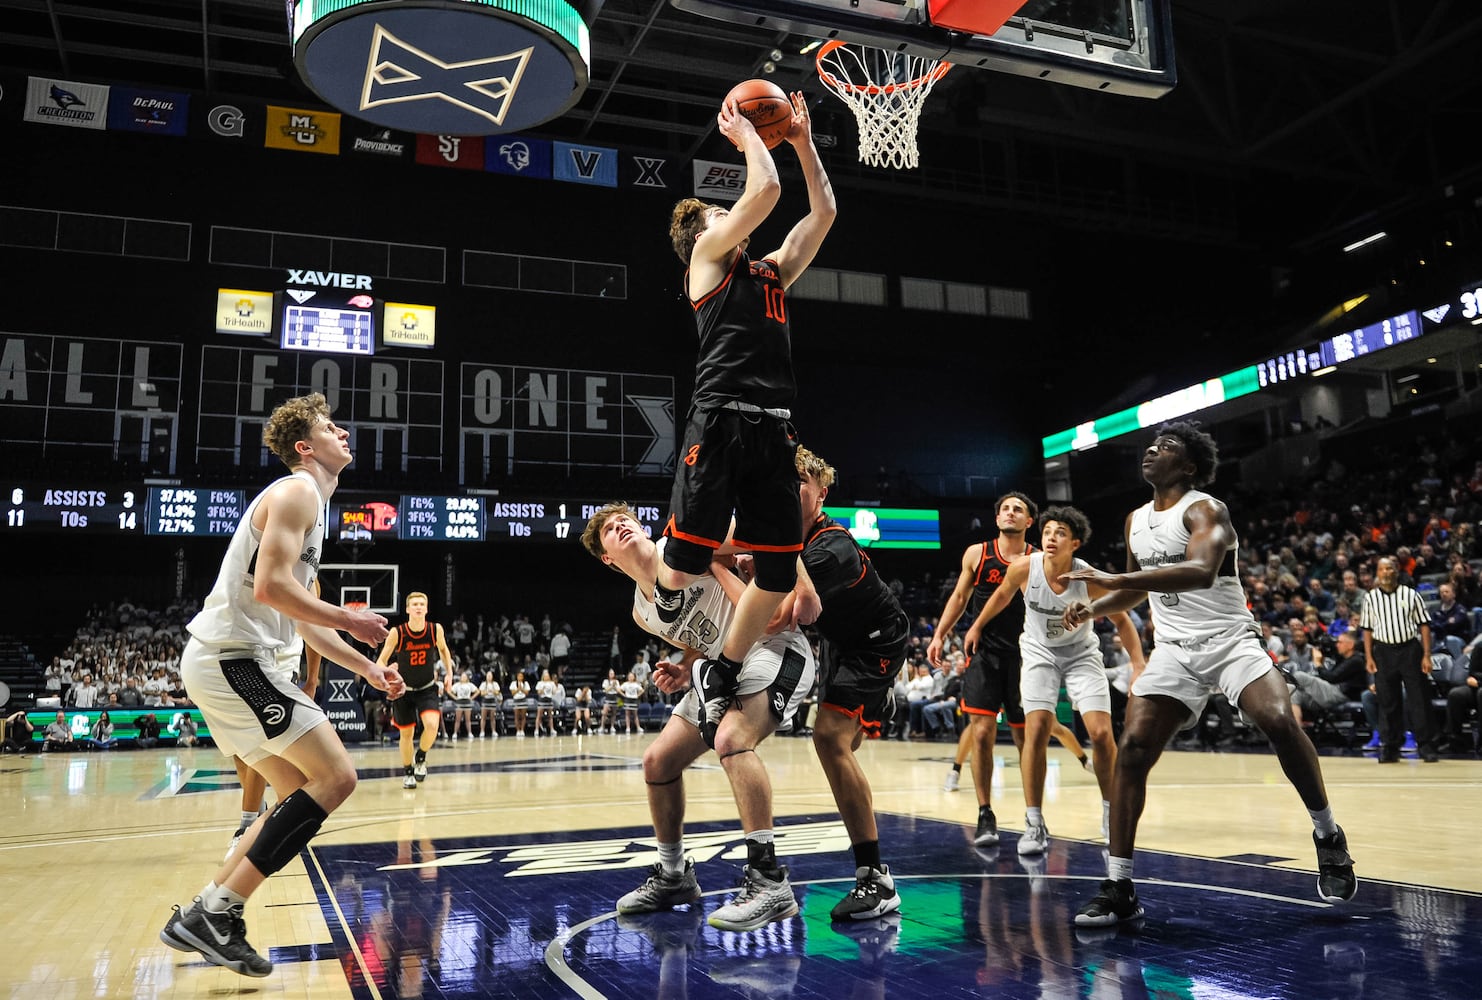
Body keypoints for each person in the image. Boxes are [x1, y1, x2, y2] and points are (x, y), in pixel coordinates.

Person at [1061, 421, 1357, 926]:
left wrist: (1116, 578)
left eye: (1168, 446)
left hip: (1229, 642)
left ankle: (1328, 835)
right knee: (1132, 749)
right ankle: (1119, 886)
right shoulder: (1134, 519)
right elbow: (1138, 592)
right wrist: (1097, 607)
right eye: (1152, 445)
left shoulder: (1205, 508)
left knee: (1279, 721)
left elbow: (1199, 571)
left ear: (1190, 466)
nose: (1153, 450)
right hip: (1174, 649)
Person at [158, 392, 401, 977]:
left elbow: (300, 617)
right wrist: (350, 617)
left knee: (295, 793)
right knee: (337, 776)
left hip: (239, 661)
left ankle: (205, 910)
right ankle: (217, 912)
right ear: (303, 446)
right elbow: (269, 588)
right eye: (328, 427)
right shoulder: (296, 491)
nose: (343, 432)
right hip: (233, 659)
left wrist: (366, 667)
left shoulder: (310, 504)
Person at [652, 85, 834, 751]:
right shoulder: (705, 261)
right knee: (681, 562)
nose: (732, 216)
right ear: (703, 233)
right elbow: (764, 193)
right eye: (720, 214)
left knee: (781, 573)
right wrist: (751, 138)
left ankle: (723, 668)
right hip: (721, 422)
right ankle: (661, 593)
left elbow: (823, 211)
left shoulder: (772, 273)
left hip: (773, 429)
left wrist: (805, 142)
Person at [582, 501, 816, 932]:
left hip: (776, 649)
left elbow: (771, 526)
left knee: (731, 739)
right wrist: (685, 663)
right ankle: (674, 875)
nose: (621, 526)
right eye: (611, 530)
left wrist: (803, 586)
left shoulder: (684, 544)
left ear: (643, 526)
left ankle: (769, 881)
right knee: (657, 761)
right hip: (721, 664)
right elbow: (700, 631)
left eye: (625, 520)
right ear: (607, 558)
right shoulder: (642, 611)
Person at [772, 445, 907, 920]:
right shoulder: (787, 535)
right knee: (842, 743)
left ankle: (876, 879)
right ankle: (876, 708)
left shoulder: (831, 547)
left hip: (876, 643)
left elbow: (778, 617)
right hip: (837, 643)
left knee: (828, 738)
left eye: (799, 485)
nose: (788, 492)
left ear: (821, 492)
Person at [963, 505, 1144, 854]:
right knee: (1037, 729)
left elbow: (1123, 620)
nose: (1051, 538)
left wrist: (1138, 665)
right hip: (1039, 653)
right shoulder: (1023, 569)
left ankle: (1111, 812)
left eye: (1060, 533)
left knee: (1102, 733)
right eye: (1047, 532)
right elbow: (1000, 595)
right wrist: (976, 625)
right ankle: (1034, 823)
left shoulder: (1088, 578)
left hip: (1080, 655)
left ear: (1074, 543)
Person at [925, 492, 1038, 847]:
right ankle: (985, 813)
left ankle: (1034, 819)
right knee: (983, 732)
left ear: (1028, 522)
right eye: (1005, 508)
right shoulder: (977, 553)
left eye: (1018, 509)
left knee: (1026, 740)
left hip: (1027, 656)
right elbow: (959, 598)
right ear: (997, 518)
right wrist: (940, 635)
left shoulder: (1039, 558)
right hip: (985, 654)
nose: (1010, 512)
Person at [1362, 556, 1438, 763]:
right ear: (1377, 573)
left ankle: (1426, 745)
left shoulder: (1411, 595)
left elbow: (1424, 625)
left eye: (1389, 568)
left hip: (1409, 650)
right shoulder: (1370, 598)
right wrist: (1369, 656)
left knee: (1418, 698)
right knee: (1387, 700)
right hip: (1383, 652)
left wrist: (1426, 654)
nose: (1385, 572)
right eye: (1381, 569)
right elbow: (1367, 630)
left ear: (1396, 571)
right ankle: (1390, 746)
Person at [376, 592, 454, 789]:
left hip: (427, 687)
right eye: (415, 604)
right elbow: (381, 660)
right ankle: (408, 772)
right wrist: (386, 672)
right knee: (406, 734)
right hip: (403, 690)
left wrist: (449, 674)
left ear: (426, 609)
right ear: (408, 609)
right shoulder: (398, 632)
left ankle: (421, 756)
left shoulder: (434, 629)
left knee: (432, 725)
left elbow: (444, 650)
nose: (419, 607)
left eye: (422, 604)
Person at [449, 670, 478, 740]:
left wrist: (471, 698)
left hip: (467, 703)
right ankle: (455, 733)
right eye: (462, 676)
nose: (463, 678)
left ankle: (470, 733)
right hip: (459, 703)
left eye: (464, 676)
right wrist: (455, 697)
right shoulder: (457, 685)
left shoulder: (470, 685)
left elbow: (477, 691)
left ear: (467, 678)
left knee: (468, 720)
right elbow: (450, 692)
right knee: (457, 719)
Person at [478, 670, 502, 738]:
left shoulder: (495, 684)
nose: (489, 677)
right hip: (485, 701)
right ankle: (482, 731)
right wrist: (487, 691)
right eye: (487, 676)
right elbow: (482, 693)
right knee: (483, 718)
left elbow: (497, 692)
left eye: (490, 676)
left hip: (492, 701)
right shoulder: (483, 684)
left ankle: (493, 731)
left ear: (492, 677)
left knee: (492, 718)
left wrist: (492, 691)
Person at [599, 668, 621, 733]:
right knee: (604, 713)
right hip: (608, 698)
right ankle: (602, 726)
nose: (612, 674)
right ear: (608, 674)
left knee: (614, 713)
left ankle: (612, 726)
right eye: (610, 673)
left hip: (614, 697)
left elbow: (619, 691)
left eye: (613, 673)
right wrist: (612, 686)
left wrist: (615, 686)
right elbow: (606, 690)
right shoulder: (605, 681)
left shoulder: (616, 681)